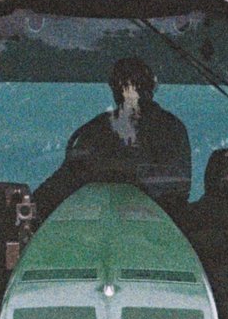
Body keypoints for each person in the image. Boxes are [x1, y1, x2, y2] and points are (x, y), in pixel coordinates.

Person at [39, 56, 192, 210]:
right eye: (125, 84)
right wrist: (31, 205)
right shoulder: (97, 130)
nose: (130, 91)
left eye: (135, 84)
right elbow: (65, 179)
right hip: (95, 224)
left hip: (158, 226)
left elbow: (175, 189)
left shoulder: (168, 129)